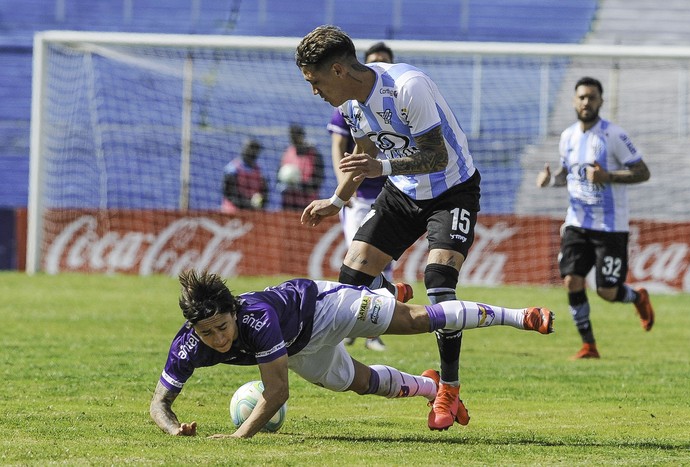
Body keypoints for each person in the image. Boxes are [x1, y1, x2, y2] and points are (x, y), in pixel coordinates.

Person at [295, 25, 482, 431]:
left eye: (316, 80)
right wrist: (337, 201)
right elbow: (365, 150)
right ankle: (386, 294)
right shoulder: (350, 105)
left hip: (452, 190)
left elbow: (434, 156)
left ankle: (448, 387)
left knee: (438, 280)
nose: (314, 91)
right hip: (402, 193)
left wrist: (381, 167)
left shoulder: (407, 87)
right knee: (350, 278)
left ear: (340, 70)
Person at [150, 269, 554, 438]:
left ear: (233, 312)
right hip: (299, 348)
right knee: (361, 384)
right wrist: (174, 429)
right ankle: (429, 388)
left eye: (222, 327)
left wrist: (238, 437)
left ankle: (519, 315)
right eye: (207, 333)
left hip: (326, 307)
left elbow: (276, 393)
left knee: (415, 321)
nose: (217, 339)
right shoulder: (188, 344)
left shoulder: (255, 319)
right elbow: (160, 403)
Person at [536, 76, 655, 360]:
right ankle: (589, 346)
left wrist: (608, 176)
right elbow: (567, 176)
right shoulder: (567, 137)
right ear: (574, 101)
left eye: (591, 97)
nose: (586, 102)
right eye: (582, 97)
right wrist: (551, 180)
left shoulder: (613, 135)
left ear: (601, 101)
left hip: (610, 227)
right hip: (576, 222)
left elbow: (643, 171)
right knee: (571, 281)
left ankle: (637, 297)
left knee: (607, 291)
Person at [327, 41, 395, 352]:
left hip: (390, 195)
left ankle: (374, 330)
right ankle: (354, 324)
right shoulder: (348, 105)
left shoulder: (397, 101)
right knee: (359, 258)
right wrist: (344, 189)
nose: (379, 64)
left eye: (384, 60)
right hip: (357, 197)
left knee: (383, 261)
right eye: (374, 60)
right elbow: (339, 148)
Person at [279, 124, 325, 211]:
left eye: (296, 137)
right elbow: (279, 177)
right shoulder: (287, 153)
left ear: (302, 136)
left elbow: (319, 180)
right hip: (288, 204)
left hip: (308, 204)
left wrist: (301, 186)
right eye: (292, 137)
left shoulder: (314, 155)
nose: (294, 140)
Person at [221, 139, 268, 213]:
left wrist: (261, 203)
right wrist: (249, 205)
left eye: (256, 149)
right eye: (251, 148)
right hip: (232, 212)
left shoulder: (260, 171)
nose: (253, 152)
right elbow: (230, 194)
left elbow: (265, 193)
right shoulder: (232, 169)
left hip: (254, 214)